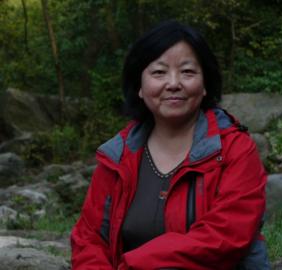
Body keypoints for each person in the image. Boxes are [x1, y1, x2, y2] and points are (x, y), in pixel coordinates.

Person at [70, 20, 270, 269]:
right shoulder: (117, 156)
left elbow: (226, 236)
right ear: (140, 87)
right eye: (159, 72)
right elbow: (89, 239)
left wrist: (135, 265)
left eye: (187, 72)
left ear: (205, 84)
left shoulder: (234, 149)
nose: (174, 83)